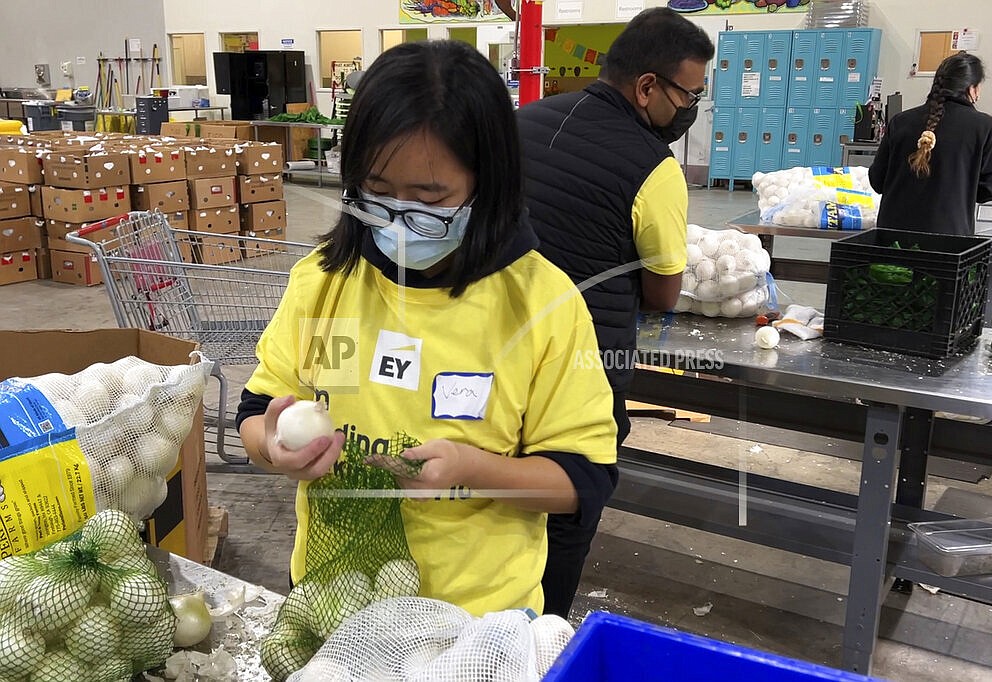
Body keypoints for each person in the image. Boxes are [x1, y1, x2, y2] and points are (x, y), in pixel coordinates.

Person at [235, 40, 618, 617]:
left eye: (429, 197)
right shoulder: (324, 281)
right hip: (330, 599)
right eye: (379, 192)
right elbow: (257, 410)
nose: (398, 216)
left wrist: (473, 471)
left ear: (486, 181)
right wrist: (272, 449)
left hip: (474, 621)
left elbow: (581, 480)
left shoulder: (543, 305)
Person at [516, 7, 714, 618]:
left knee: (492, 505)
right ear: (648, 87)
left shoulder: (520, 122)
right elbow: (662, 294)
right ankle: (539, 641)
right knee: (567, 509)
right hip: (582, 372)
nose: (692, 109)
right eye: (690, 94)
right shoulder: (654, 167)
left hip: (491, 358)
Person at [869, 52, 992, 236]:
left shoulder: (900, 122)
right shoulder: (986, 127)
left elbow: (877, 180)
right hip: (948, 240)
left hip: (892, 237)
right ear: (972, 89)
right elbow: (988, 190)